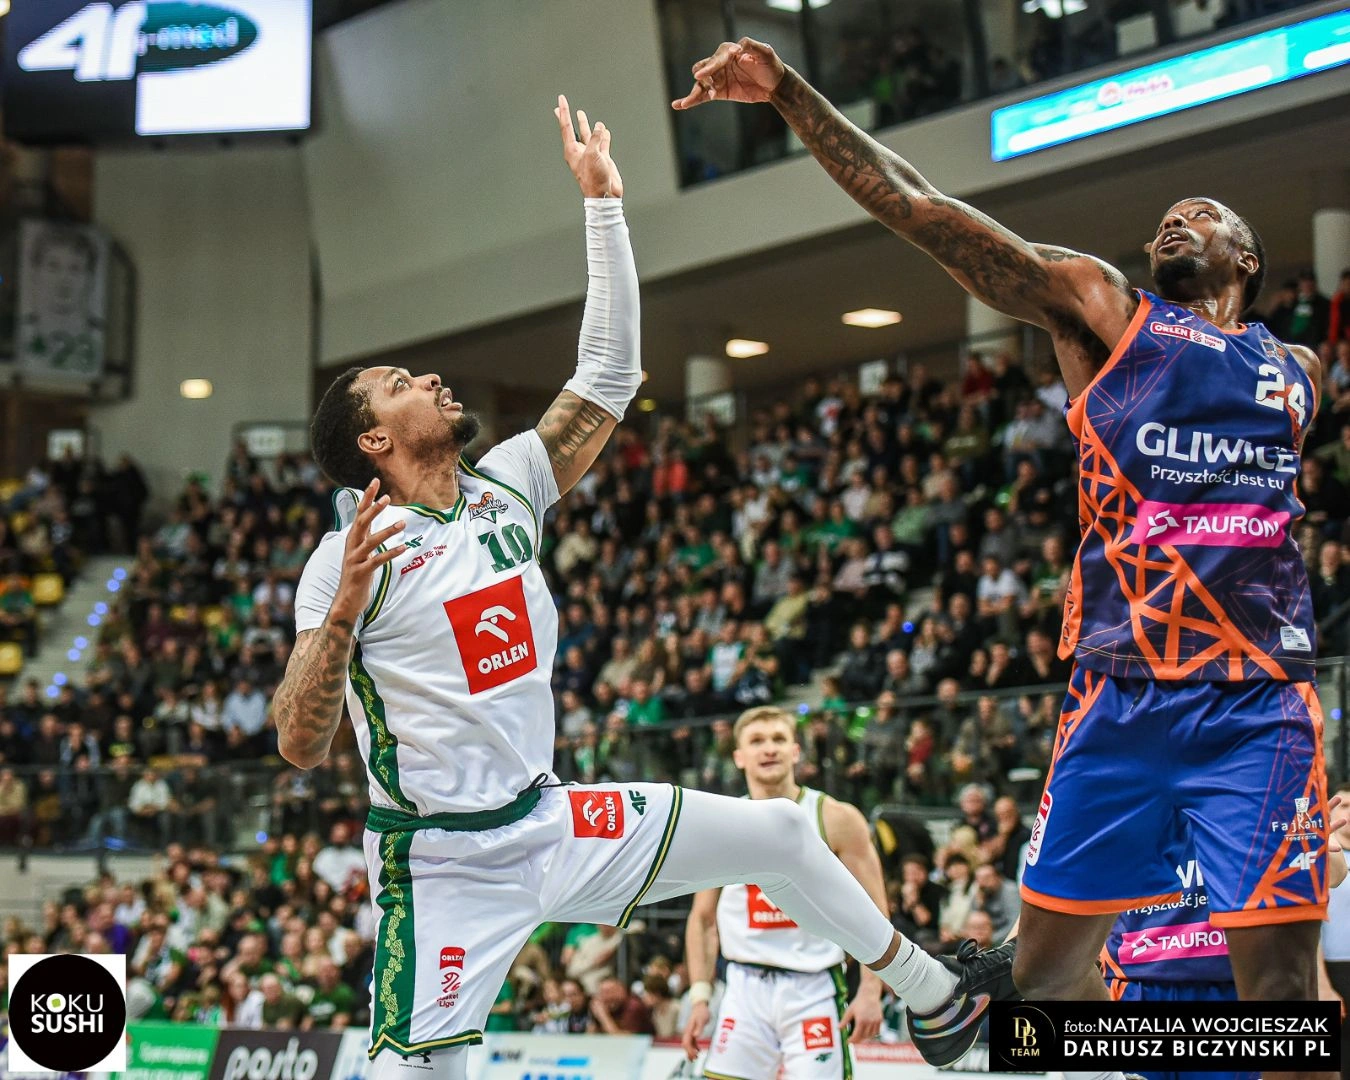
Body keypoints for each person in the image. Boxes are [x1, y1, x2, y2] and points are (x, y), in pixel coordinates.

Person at [275, 97, 1012, 1080]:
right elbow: (299, 742)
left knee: (782, 832)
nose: (431, 380)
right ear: (373, 438)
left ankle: (938, 999)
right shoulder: (348, 558)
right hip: (443, 863)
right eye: (402, 383)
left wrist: (604, 206)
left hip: (550, 821)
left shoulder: (507, 489)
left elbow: (611, 373)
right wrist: (338, 620)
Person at [675, 39, 1330, 1077]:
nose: (1175, 220)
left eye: (1204, 214)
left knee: (1289, 1001)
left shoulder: (1298, 371)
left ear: (1248, 259)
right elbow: (922, 207)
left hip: (1257, 702)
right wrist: (791, 95)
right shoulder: (1108, 312)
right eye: (1167, 216)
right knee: (1044, 983)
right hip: (1120, 694)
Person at [681, 706, 886, 1079]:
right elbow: (703, 919)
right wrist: (699, 996)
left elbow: (876, 911)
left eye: (778, 739)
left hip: (814, 987)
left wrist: (871, 989)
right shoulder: (721, 822)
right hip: (743, 987)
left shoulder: (836, 817)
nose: (769, 748)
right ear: (739, 757)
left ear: (795, 751)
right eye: (757, 741)